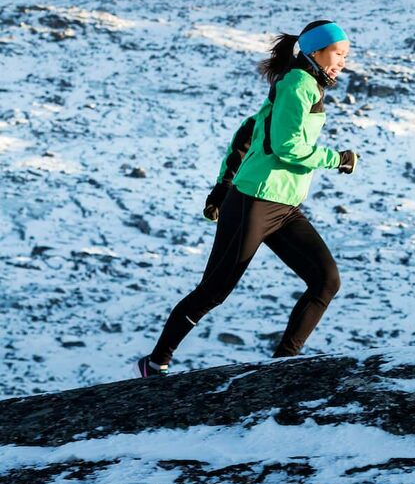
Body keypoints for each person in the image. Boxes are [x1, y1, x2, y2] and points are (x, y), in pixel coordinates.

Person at [137, 20, 358, 376]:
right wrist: (338, 159)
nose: (343, 62)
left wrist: (222, 185)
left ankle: (284, 362)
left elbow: (248, 131)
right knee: (214, 290)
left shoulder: (305, 83)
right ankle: (156, 361)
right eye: (338, 53)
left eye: (345, 55)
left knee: (326, 280)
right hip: (254, 202)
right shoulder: (298, 84)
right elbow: (286, 147)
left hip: (283, 206)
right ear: (315, 52)